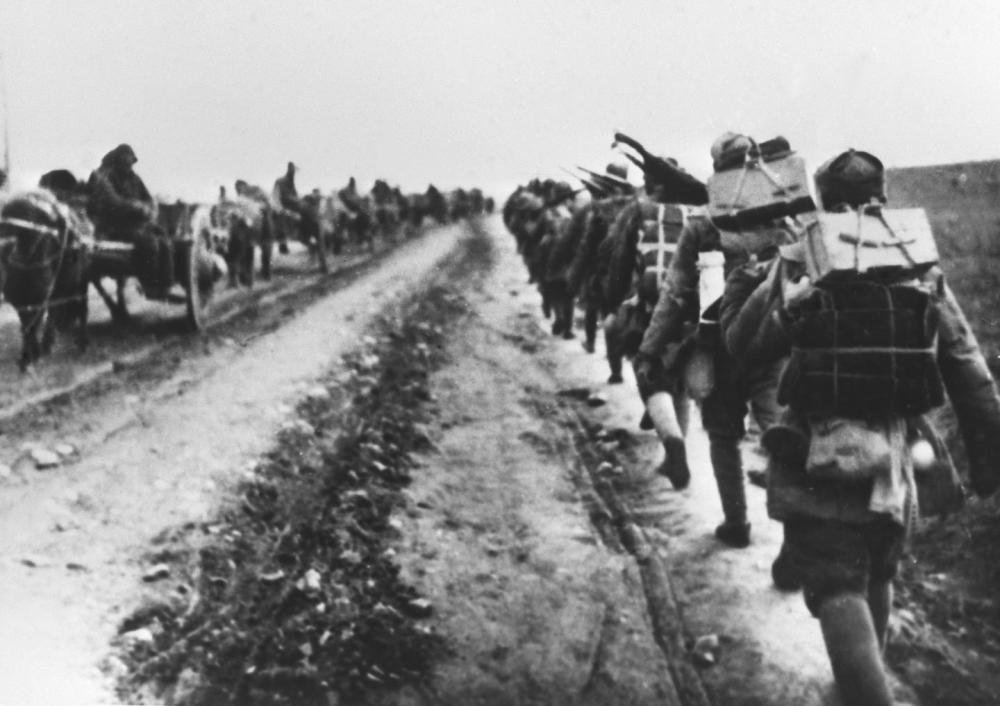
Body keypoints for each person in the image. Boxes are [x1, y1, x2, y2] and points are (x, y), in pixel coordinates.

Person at [720, 148, 1000, 706]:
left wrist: (775, 303)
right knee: (878, 571)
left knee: (834, 581)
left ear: (823, 201)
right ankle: (861, 685)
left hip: (818, 450)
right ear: (883, 197)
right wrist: (988, 461)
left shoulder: (801, 256)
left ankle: (866, 693)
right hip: (896, 456)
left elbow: (743, 346)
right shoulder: (916, 260)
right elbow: (968, 369)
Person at [632, 132, 797, 548]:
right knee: (779, 434)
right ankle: (797, 536)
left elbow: (675, 293)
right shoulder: (783, 219)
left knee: (724, 436)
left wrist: (650, 348)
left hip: (718, 345)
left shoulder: (703, 223)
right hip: (772, 343)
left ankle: (736, 523)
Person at [87, 144, 171, 295]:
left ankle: (164, 286)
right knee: (150, 244)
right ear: (118, 161)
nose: (129, 165)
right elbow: (114, 202)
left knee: (165, 241)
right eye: (125, 161)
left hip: (137, 224)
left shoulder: (135, 178)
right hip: (114, 226)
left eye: (131, 161)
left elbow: (149, 199)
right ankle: (149, 285)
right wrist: (137, 207)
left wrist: (149, 209)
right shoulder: (107, 177)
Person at [272, 161, 301, 254]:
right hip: (281, 209)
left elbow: (295, 196)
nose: (293, 174)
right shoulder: (280, 181)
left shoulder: (291, 183)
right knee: (281, 226)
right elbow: (275, 196)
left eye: (294, 172)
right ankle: (283, 247)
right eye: (292, 171)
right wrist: (280, 209)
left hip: (291, 209)